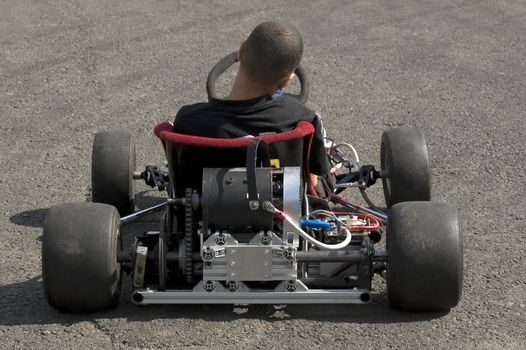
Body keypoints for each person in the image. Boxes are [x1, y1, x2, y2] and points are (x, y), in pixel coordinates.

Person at [173, 21, 332, 194]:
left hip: (199, 214)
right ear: (286, 81)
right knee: (323, 172)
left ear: (241, 51)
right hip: (283, 213)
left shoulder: (188, 119)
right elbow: (311, 183)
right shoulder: (302, 119)